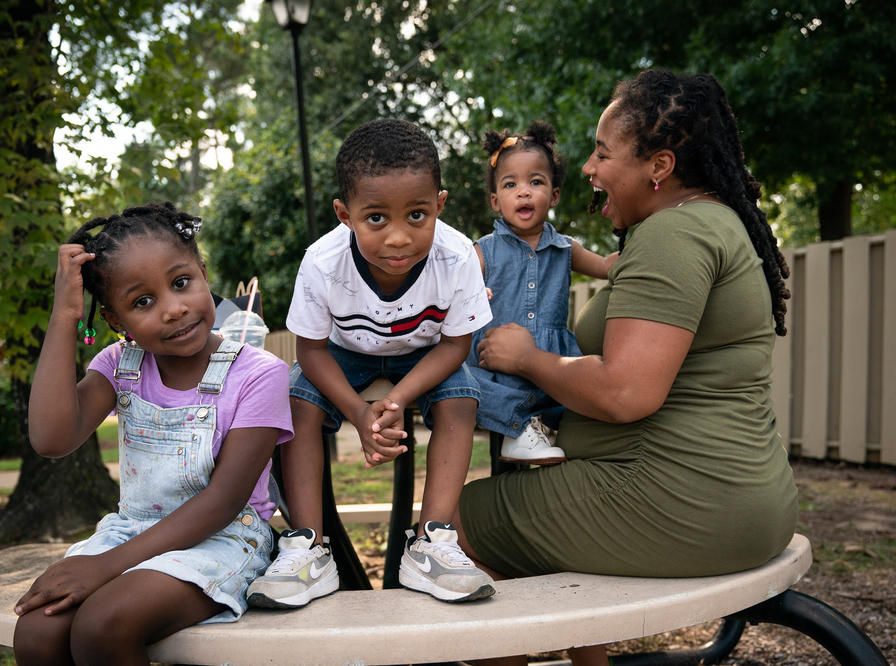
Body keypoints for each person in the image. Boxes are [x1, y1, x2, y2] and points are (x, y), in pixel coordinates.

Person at [455, 69, 798, 666]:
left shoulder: (675, 233)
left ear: (658, 166)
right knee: (526, 513)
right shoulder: (705, 223)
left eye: (602, 152)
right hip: (727, 497)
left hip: (682, 500)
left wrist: (529, 359)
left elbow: (624, 393)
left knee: (454, 530)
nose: (587, 169)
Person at [13, 202, 293, 665]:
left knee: (104, 625)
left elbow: (223, 501)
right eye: (143, 302)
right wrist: (64, 315)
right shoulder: (119, 366)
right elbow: (51, 438)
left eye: (181, 283)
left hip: (223, 540)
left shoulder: (258, 373)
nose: (173, 309)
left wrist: (104, 567)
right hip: (131, 534)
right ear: (116, 322)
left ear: (204, 274)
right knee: (38, 633)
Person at [246, 118, 495, 608]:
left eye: (418, 215)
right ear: (345, 214)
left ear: (440, 205)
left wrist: (401, 397)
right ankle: (308, 548)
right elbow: (311, 351)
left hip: (426, 353)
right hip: (343, 354)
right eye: (376, 218)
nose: (399, 238)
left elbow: (455, 346)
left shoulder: (457, 254)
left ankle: (432, 544)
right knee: (297, 399)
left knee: (461, 398)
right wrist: (359, 414)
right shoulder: (322, 263)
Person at [468, 120, 615, 465]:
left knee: (577, 397)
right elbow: (456, 290)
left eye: (536, 182)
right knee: (470, 383)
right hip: (497, 355)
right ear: (495, 200)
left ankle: (538, 437)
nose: (523, 191)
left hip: (548, 356)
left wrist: (637, 253)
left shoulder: (566, 248)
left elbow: (607, 267)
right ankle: (516, 433)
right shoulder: (483, 251)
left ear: (554, 194)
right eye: (510, 184)